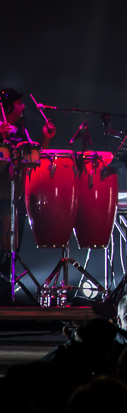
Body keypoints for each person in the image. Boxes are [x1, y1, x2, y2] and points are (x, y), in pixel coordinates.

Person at [2, 88, 56, 303]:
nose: (23, 107)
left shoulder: (19, 132)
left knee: (12, 252)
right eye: (20, 103)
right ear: (8, 107)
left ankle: (6, 299)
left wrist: (45, 139)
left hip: (16, 199)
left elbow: (34, 160)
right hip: (2, 199)